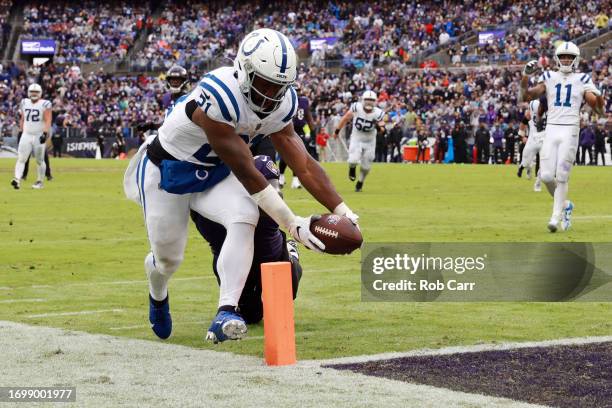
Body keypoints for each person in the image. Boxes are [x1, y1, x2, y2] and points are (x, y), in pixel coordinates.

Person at [123, 28, 359, 343]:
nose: (271, 94)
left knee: (245, 214)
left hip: (213, 175)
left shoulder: (282, 104)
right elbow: (247, 172)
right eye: (264, 83)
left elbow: (303, 163)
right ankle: (158, 293)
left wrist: (344, 211)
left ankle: (226, 311)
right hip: (168, 172)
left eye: (279, 86)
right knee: (168, 259)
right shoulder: (220, 93)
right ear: (244, 71)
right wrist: (292, 224)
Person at [190, 155, 302, 324]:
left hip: (272, 256)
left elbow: (267, 240)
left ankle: (291, 253)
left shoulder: (268, 204)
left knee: (285, 298)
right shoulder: (218, 207)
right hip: (237, 260)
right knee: (251, 316)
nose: (270, 190)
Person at [520, 41, 605, 232]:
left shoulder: (583, 79)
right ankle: (566, 205)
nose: (566, 60)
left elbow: (599, 109)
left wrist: (599, 96)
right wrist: (526, 76)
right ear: (557, 59)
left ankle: (555, 217)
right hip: (551, 129)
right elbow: (526, 96)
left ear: (576, 59)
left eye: (570, 57)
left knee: (563, 175)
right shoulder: (549, 76)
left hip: (570, 131)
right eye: (563, 56)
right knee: (547, 176)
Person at [334, 90, 384, 192]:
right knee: (353, 160)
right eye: (367, 100)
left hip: (370, 141)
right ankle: (352, 169)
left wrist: (378, 126)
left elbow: (383, 130)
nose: (369, 102)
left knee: (366, 166)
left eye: (371, 100)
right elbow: (345, 118)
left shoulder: (378, 113)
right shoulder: (357, 107)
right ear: (363, 100)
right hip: (357, 138)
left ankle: (360, 182)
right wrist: (337, 131)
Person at [11, 83, 51, 190]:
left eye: (36, 92)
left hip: (38, 135)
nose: (34, 94)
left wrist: (45, 133)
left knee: (39, 160)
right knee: (21, 158)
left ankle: (40, 181)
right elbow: (23, 118)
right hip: (27, 134)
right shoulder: (24, 102)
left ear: (40, 93)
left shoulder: (45, 104)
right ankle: (17, 179)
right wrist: (21, 129)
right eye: (32, 92)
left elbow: (48, 120)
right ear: (28, 92)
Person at [279, 83, 316, 189]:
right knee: (285, 154)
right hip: (287, 129)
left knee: (298, 155)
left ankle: (295, 180)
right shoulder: (285, 100)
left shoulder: (304, 101)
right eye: (295, 90)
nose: (297, 93)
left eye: (298, 90)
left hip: (301, 130)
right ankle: (281, 177)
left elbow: (308, 116)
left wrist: (312, 132)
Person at [517, 97, 546, 191]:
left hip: (545, 138)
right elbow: (525, 119)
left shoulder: (552, 107)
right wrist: (521, 136)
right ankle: (525, 167)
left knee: (544, 163)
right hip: (533, 137)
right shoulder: (533, 105)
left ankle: (538, 183)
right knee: (526, 159)